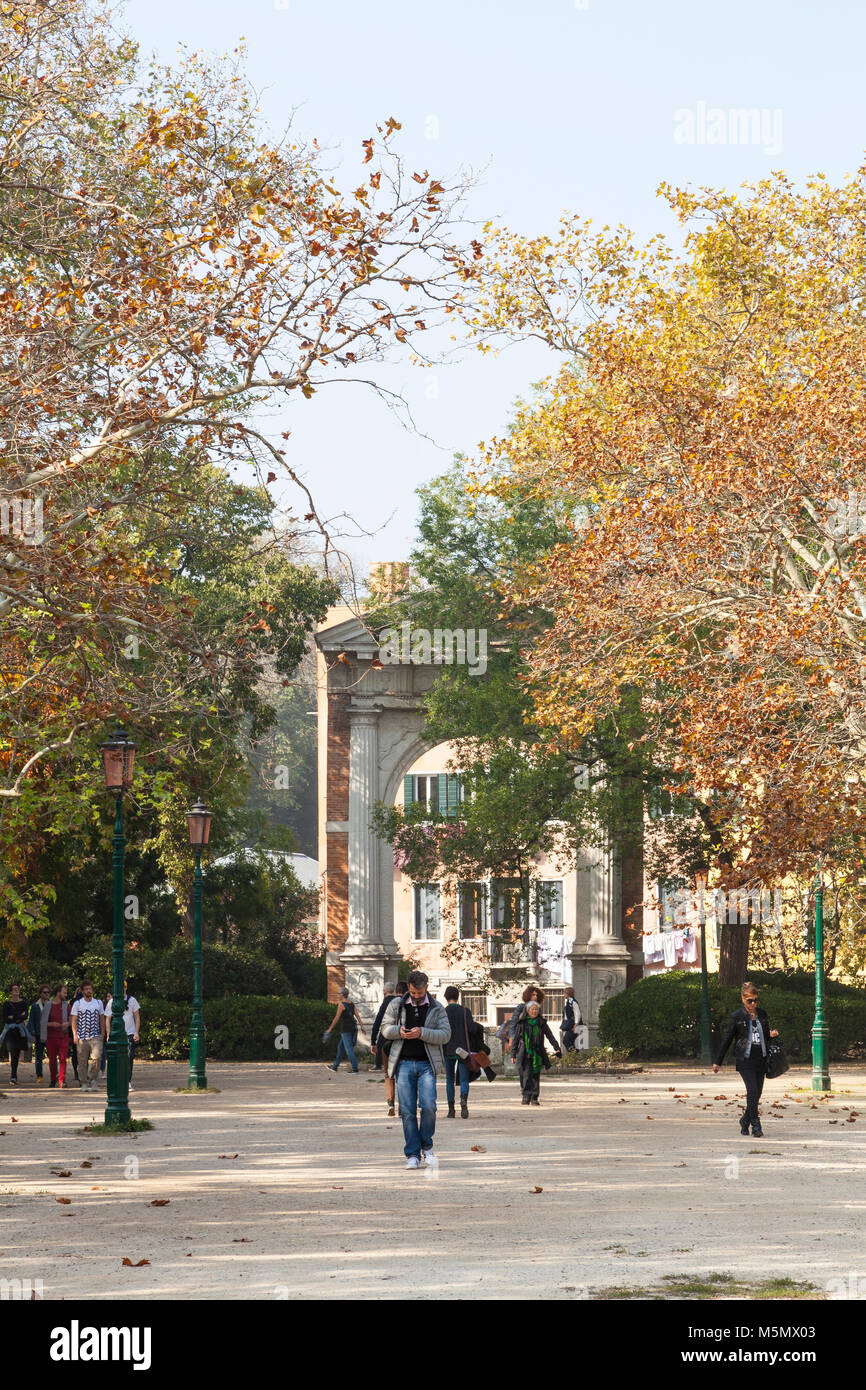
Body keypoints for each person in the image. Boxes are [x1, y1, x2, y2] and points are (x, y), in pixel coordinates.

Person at [380, 970, 450, 1170]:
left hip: (427, 1064)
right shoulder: (396, 1004)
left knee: (429, 1106)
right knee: (407, 1111)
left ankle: (427, 1146)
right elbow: (385, 1028)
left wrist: (422, 1033)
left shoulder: (437, 1008)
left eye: (419, 993)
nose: (416, 996)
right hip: (403, 1063)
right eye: (413, 993)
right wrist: (398, 1032)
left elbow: (445, 1035)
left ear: (426, 988)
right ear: (409, 988)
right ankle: (412, 1153)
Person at [713, 981, 779, 1138]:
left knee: (757, 1094)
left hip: (761, 1058)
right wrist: (718, 1061)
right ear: (743, 999)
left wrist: (771, 1035)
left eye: (755, 1000)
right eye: (750, 1000)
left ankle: (744, 1120)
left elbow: (765, 1035)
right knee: (752, 1091)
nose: (753, 1004)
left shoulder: (762, 1014)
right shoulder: (737, 1016)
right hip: (745, 1059)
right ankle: (756, 1125)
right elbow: (728, 1039)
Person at [511, 998, 561, 1105]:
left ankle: (534, 1097)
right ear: (528, 1010)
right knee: (526, 1075)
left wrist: (556, 1047)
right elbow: (515, 1039)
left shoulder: (541, 1023)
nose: (535, 1011)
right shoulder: (522, 1023)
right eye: (532, 1009)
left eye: (536, 1009)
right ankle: (526, 1096)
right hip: (525, 1053)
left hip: (537, 1053)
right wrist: (513, 1054)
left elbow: (550, 1036)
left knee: (535, 1076)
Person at [442, 985, 476, 1119]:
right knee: (463, 1079)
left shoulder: (443, 1012)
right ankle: (464, 1104)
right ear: (458, 996)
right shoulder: (465, 1011)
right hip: (463, 1050)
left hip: (447, 1048)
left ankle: (451, 1110)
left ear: (445, 997)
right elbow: (472, 1029)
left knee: (449, 1079)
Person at [70, 981, 105, 1093]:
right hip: (82, 1036)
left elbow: (102, 1018)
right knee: (82, 1061)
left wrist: (103, 1033)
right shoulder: (78, 1003)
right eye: (86, 989)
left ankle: (93, 1078)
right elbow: (74, 1020)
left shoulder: (98, 1003)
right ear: (82, 991)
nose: (88, 991)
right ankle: (84, 1082)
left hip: (95, 1035)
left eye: (90, 989)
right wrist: (75, 1035)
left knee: (97, 1057)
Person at [370, 982, 399, 1114]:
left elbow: (378, 1022)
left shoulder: (386, 1003)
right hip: (400, 1041)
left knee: (388, 1074)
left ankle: (391, 1104)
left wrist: (373, 1041)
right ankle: (403, 1105)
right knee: (401, 1074)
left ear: (385, 990)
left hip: (386, 1042)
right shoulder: (402, 1003)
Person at [104, 984, 141, 1091]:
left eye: (124, 987)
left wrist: (136, 1032)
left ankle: (127, 1081)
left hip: (129, 1033)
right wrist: (108, 1034)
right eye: (121, 987)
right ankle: (117, 1080)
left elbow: (137, 1017)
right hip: (116, 1034)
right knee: (116, 1059)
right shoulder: (112, 1002)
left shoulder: (132, 1000)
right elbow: (107, 1019)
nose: (122, 989)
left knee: (129, 1058)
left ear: (126, 988)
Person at [324, 988, 363, 1074]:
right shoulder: (351, 1004)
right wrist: (362, 1027)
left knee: (349, 1050)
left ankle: (355, 1069)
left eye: (338, 993)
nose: (338, 995)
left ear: (342, 994)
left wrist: (330, 1029)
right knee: (340, 1047)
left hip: (346, 1030)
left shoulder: (341, 1004)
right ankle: (335, 1066)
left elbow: (336, 1018)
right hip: (353, 1028)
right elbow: (357, 1016)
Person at [0, 985, 30, 1087]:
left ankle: (14, 1075)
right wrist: (18, 1016)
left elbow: (25, 1016)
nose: (16, 990)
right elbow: (5, 1018)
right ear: (10, 992)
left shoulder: (24, 1003)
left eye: (18, 989)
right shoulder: (6, 1004)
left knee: (17, 1053)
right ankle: (13, 1076)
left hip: (20, 1030)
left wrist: (13, 1016)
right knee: (12, 1052)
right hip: (10, 1030)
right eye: (14, 989)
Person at [44, 984, 72, 1088]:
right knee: (52, 1060)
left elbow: (72, 1019)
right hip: (51, 1036)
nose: (66, 994)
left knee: (63, 1058)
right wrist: (52, 1024)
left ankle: (62, 1080)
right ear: (58, 993)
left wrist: (68, 1024)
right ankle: (52, 1079)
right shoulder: (48, 1005)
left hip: (63, 1035)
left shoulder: (67, 1006)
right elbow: (43, 1022)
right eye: (64, 992)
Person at [27, 985, 52, 1084]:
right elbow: (31, 1021)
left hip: (50, 1033)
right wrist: (32, 1034)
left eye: (48, 992)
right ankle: (39, 1075)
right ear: (40, 994)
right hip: (38, 1034)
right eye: (44, 992)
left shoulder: (52, 1004)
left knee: (52, 1055)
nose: (46, 994)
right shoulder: (35, 1006)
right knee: (38, 1056)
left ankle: (55, 1073)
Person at [560, 987, 582, 1052]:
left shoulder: (573, 1002)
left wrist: (576, 1025)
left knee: (565, 1040)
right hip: (570, 1025)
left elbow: (577, 1013)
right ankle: (575, 1056)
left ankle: (574, 1054)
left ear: (568, 993)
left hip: (574, 1026)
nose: (564, 994)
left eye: (565, 993)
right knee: (572, 1041)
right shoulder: (569, 1002)